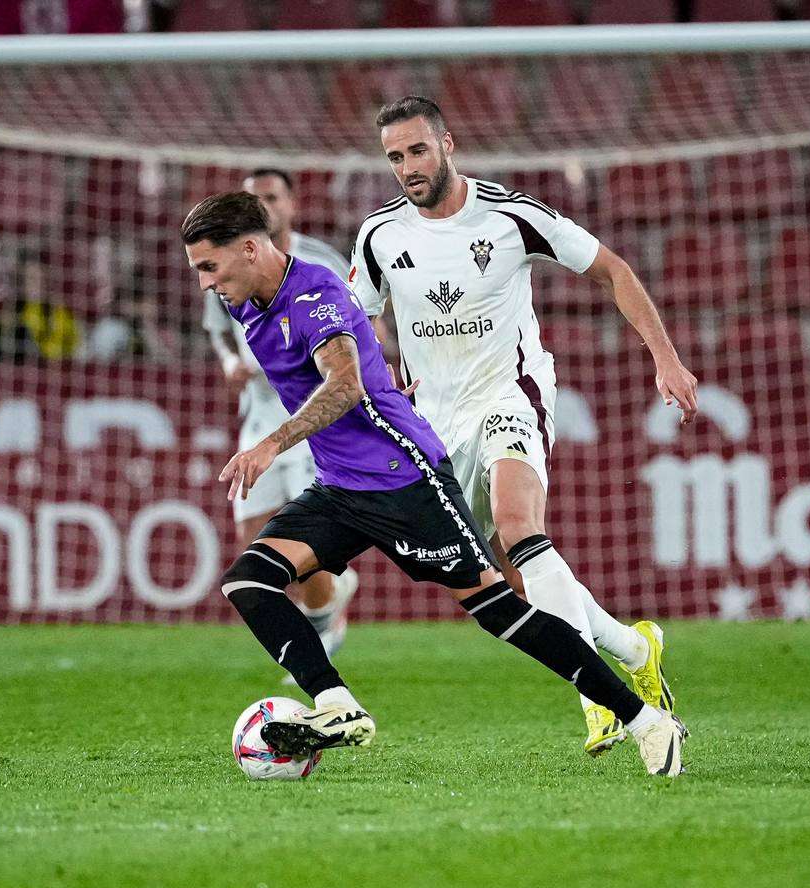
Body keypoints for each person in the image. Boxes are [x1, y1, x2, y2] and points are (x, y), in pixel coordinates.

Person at [184, 191, 683, 776]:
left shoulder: (314, 294)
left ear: (249, 249)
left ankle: (646, 721)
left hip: (404, 477)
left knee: (499, 610)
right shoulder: (244, 304)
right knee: (250, 580)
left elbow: (346, 386)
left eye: (209, 267)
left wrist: (271, 443)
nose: (204, 285)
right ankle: (336, 704)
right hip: (341, 487)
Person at [349, 96, 699, 755]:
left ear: (447, 144)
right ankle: (633, 647)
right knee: (510, 583)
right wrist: (381, 365)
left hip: (512, 392)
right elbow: (361, 315)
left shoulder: (512, 216)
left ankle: (599, 700)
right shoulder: (378, 235)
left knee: (520, 527)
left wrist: (665, 358)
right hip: (435, 421)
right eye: (394, 157)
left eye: (417, 150)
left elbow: (610, 270)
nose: (407, 167)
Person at [201, 170, 358, 668]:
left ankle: (324, 619)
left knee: (303, 544)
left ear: (291, 205)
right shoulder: (226, 265)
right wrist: (230, 363)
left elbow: (361, 320)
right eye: (253, 198)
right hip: (259, 413)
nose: (263, 206)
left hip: (311, 415)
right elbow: (219, 331)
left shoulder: (321, 262)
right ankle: (332, 593)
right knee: (257, 535)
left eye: (271, 197)